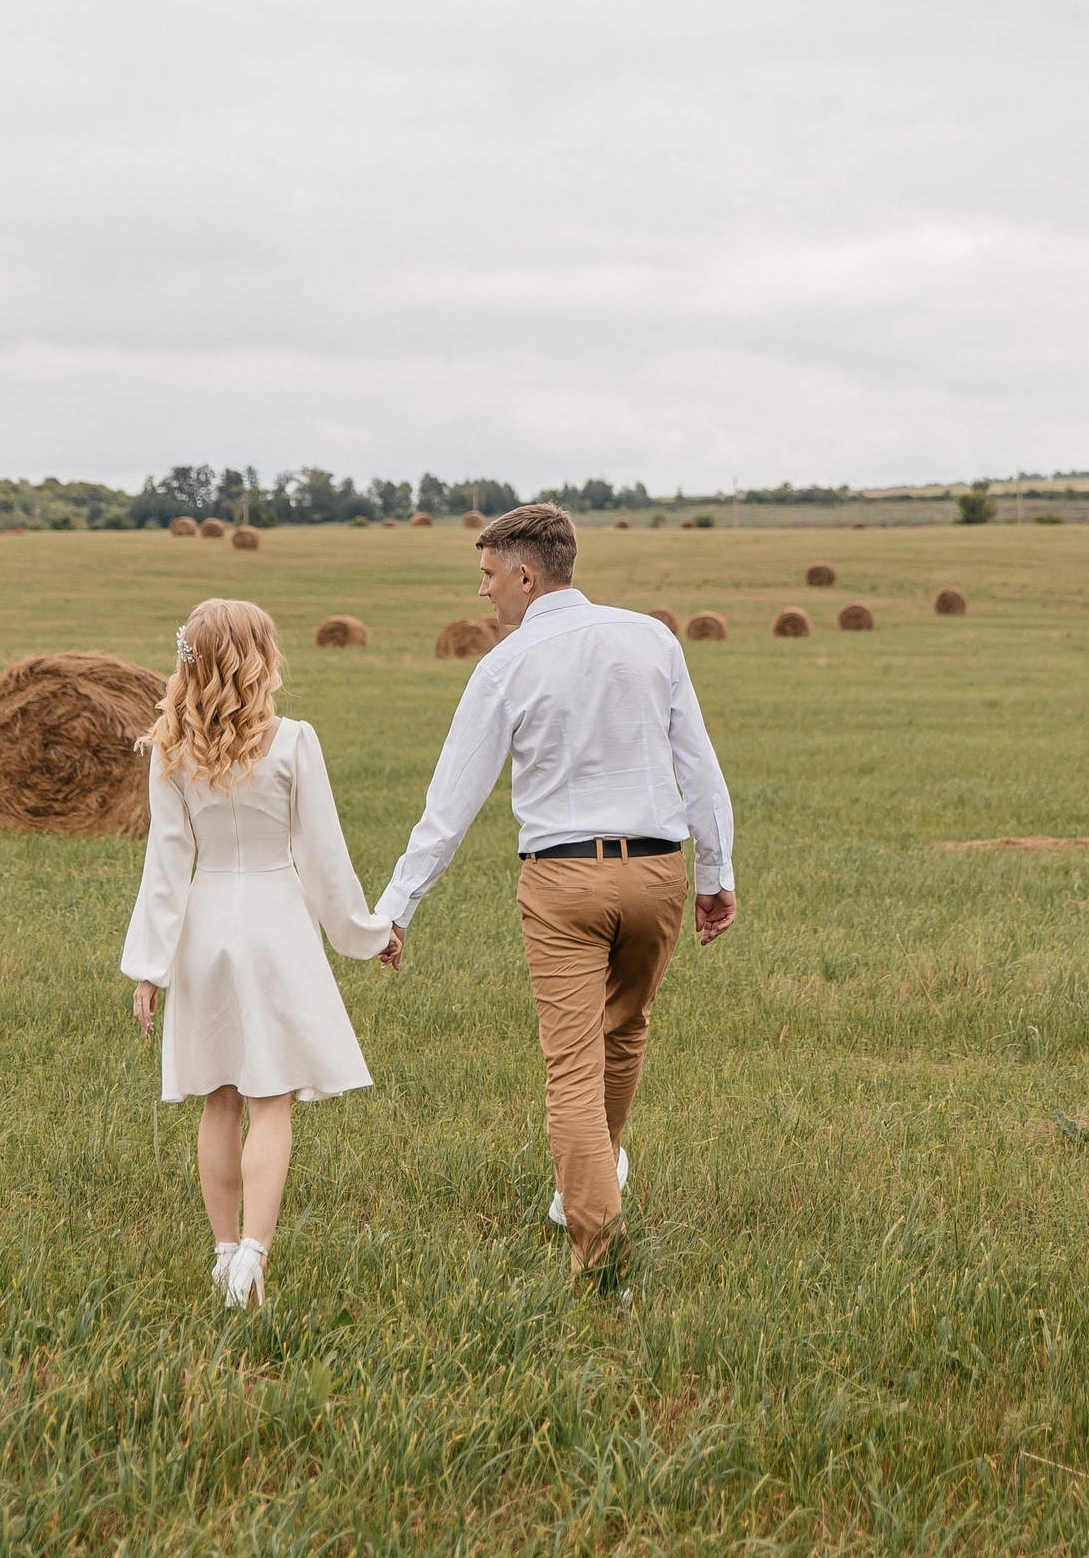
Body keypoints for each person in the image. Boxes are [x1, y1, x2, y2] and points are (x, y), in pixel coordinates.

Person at [379, 504, 736, 1285]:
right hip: (656, 873)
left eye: (486, 575)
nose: (483, 594)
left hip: (562, 878)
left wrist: (400, 903)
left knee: (570, 1066)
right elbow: (700, 769)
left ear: (525, 573)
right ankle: (591, 1179)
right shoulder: (653, 638)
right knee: (626, 1031)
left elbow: (451, 802)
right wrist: (716, 877)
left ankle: (596, 1249)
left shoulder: (505, 665)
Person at [121, 598, 402, 1308]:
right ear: (259, 657)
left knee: (217, 1098)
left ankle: (222, 1256)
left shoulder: (171, 747)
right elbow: (324, 858)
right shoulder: (293, 740)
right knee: (269, 1100)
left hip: (204, 927)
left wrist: (149, 968)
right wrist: (370, 935)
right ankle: (252, 1256)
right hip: (275, 924)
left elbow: (166, 863)